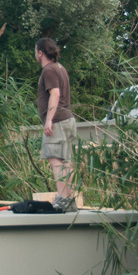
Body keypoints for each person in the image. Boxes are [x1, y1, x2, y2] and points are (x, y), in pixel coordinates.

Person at [35, 37, 78, 212]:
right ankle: (70, 199)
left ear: (40, 52)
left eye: (35, 52)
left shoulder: (49, 70)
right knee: (67, 160)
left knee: (55, 160)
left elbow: (55, 94)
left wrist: (49, 120)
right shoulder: (60, 68)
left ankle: (62, 198)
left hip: (58, 120)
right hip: (68, 119)